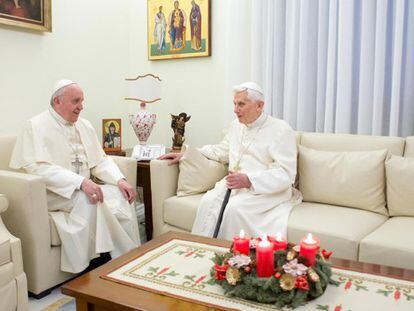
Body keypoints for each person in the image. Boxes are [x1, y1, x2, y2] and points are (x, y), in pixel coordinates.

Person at [10, 80, 140, 273]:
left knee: (117, 194)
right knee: (89, 198)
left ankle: (130, 257)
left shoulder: (85, 126)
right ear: (57, 101)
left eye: (82, 101)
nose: (81, 107)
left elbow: (100, 160)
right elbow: (37, 169)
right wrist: (79, 182)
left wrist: (120, 180)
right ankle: (100, 263)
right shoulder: (35, 126)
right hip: (55, 192)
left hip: (84, 186)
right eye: (76, 101)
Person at [159, 82, 301, 240]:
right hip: (235, 186)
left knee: (234, 209)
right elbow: (221, 151)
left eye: (241, 104)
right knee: (208, 201)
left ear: (259, 105)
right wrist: (187, 154)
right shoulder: (236, 126)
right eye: (234, 104)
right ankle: (204, 249)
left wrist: (249, 180)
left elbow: (286, 174)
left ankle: (233, 258)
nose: (235, 109)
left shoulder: (281, 130)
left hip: (266, 190)